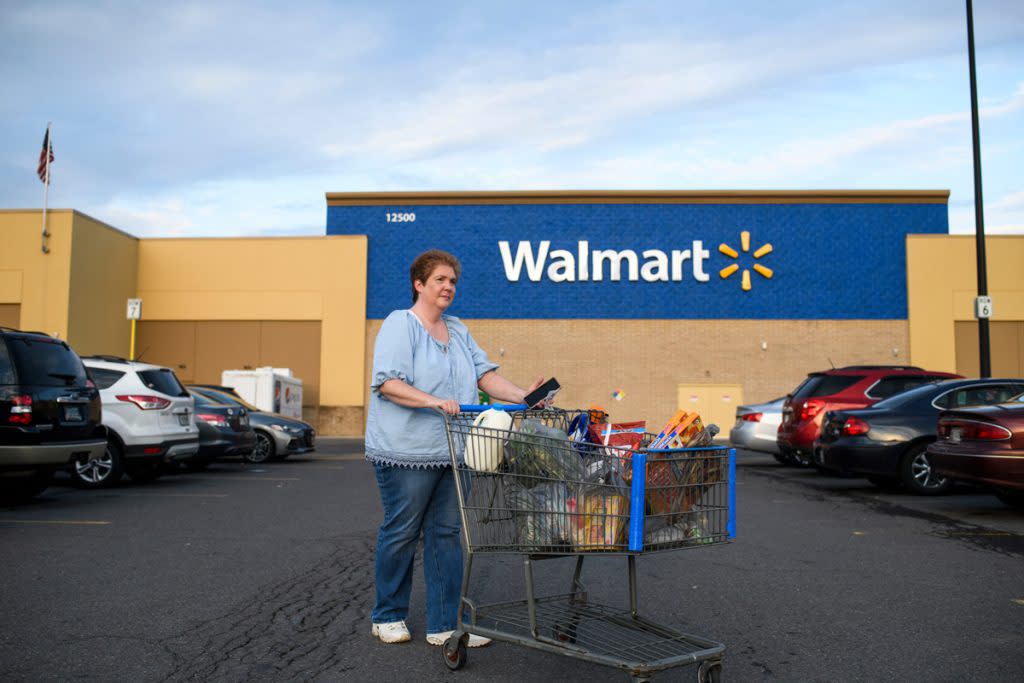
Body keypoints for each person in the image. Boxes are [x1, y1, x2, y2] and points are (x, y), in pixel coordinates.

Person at [366, 249, 545, 646]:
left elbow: (486, 376)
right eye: (440, 280)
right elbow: (387, 383)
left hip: (453, 449)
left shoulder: (458, 330)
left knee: (446, 533)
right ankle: (388, 614)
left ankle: (445, 623)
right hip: (406, 451)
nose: (448, 287)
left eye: (453, 281)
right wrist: (433, 401)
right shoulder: (401, 324)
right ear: (419, 284)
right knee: (401, 531)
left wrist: (524, 396)